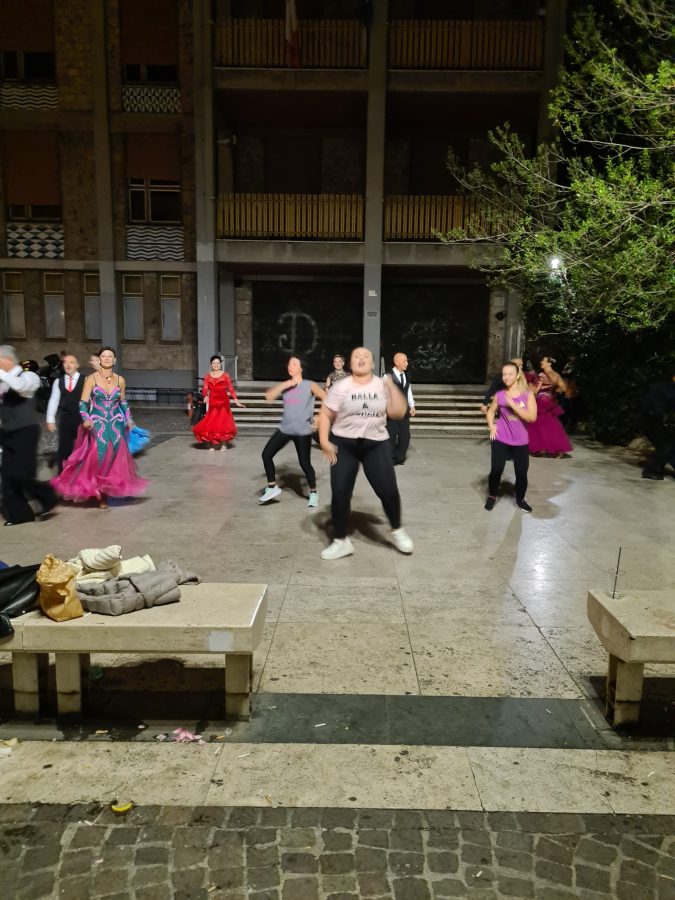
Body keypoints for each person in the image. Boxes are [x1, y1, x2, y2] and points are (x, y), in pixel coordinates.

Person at [318, 346, 414, 559]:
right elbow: (325, 414)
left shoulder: (382, 384)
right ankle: (341, 541)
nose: (361, 358)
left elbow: (398, 412)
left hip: (376, 444)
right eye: (356, 356)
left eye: (366, 356)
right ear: (350, 363)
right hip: (344, 444)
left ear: (372, 363)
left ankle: (397, 529)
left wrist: (391, 387)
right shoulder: (341, 386)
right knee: (340, 492)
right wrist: (324, 441)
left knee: (388, 490)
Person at [51, 347, 147, 509]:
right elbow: (83, 403)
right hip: (97, 423)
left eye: (110, 356)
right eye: (104, 356)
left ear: (114, 360)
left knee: (114, 457)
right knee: (99, 455)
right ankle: (99, 493)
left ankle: (106, 491)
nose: (107, 358)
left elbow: (123, 402)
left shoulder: (120, 380)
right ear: (100, 359)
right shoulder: (91, 379)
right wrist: (86, 418)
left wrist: (129, 418)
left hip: (116, 424)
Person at [0, 345, 58, 526]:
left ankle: (48, 497)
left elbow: (22, 388)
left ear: (7, 360)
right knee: (8, 477)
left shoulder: (28, 376)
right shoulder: (3, 381)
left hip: (25, 431)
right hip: (6, 432)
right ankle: (20, 515)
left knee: (22, 474)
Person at [259, 357, 325, 506]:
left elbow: (327, 398)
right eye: (289, 364)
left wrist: (320, 416)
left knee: (305, 463)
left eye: (294, 364)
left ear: (301, 368)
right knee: (266, 455)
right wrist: (287, 384)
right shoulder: (286, 386)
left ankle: (313, 492)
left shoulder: (309, 385)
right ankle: (272, 487)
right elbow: (268, 396)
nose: (290, 366)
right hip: (285, 429)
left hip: (302, 431)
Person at [485, 362, 538, 512]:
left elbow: (532, 418)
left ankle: (520, 500)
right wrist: (491, 425)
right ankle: (492, 496)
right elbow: (490, 412)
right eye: (504, 374)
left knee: (521, 473)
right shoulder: (500, 395)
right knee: (496, 470)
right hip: (501, 438)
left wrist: (513, 405)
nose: (506, 377)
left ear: (517, 375)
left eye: (510, 374)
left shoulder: (527, 394)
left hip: (521, 440)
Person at [193, 355, 245, 450]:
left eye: (218, 363)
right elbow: (205, 388)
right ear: (211, 364)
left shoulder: (225, 375)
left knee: (223, 423)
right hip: (213, 402)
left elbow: (230, 388)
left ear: (220, 364)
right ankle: (213, 443)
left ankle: (224, 443)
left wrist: (236, 401)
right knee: (213, 423)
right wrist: (205, 396)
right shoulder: (207, 376)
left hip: (224, 403)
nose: (216, 365)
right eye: (214, 363)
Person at [46, 354, 85, 473]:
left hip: (82, 420)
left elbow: (92, 400)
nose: (68, 365)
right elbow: (54, 400)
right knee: (64, 448)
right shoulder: (59, 381)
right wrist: (50, 419)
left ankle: (83, 475)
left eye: (71, 362)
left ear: (77, 365)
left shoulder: (85, 380)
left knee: (83, 449)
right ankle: (63, 475)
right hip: (65, 419)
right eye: (65, 362)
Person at [527, 356, 573, 457]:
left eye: (543, 361)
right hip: (550, 400)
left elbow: (535, 390)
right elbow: (564, 388)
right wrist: (553, 391)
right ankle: (557, 449)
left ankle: (541, 448)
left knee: (535, 423)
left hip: (541, 400)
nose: (541, 362)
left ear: (549, 363)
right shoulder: (556, 375)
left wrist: (529, 385)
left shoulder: (542, 375)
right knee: (550, 424)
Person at [640, 373, 675, 480]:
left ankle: (655, 468)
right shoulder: (666, 389)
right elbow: (653, 405)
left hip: (653, 420)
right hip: (649, 421)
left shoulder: (666, 388)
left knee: (667, 445)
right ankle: (650, 471)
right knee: (666, 446)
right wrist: (657, 412)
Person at [387, 352, 416, 465]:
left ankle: (400, 457)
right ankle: (391, 459)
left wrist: (412, 405)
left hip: (405, 411)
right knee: (391, 436)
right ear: (397, 362)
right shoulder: (387, 376)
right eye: (405, 361)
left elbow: (408, 391)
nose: (407, 363)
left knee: (405, 436)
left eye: (407, 361)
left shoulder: (407, 375)